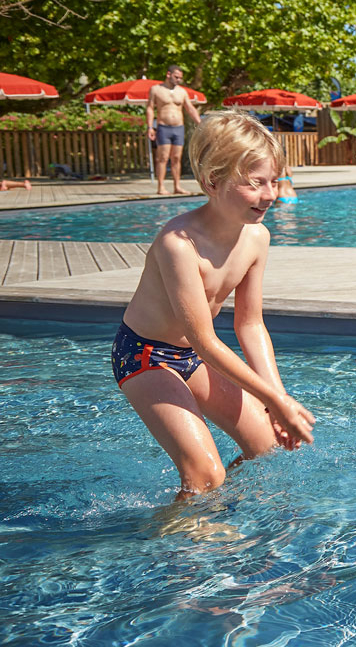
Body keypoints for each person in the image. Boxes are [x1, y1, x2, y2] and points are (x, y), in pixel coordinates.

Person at [111, 110, 315, 499]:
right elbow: (204, 340)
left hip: (190, 357)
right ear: (213, 180)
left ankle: (206, 516)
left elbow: (250, 325)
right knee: (206, 473)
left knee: (266, 448)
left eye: (273, 181)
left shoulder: (257, 238)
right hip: (144, 355)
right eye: (256, 183)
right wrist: (275, 400)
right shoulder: (178, 244)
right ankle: (177, 539)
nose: (270, 195)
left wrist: (278, 400)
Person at [146, 65, 203, 196]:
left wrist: (200, 123)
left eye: (180, 78)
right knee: (163, 158)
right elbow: (150, 108)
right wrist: (150, 127)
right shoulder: (156, 89)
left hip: (179, 128)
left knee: (177, 158)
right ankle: (161, 187)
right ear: (168, 74)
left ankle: (177, 186)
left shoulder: (182, 92)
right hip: (163, 127)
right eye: (176, 77)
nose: (178, 80)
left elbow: (190, 108)